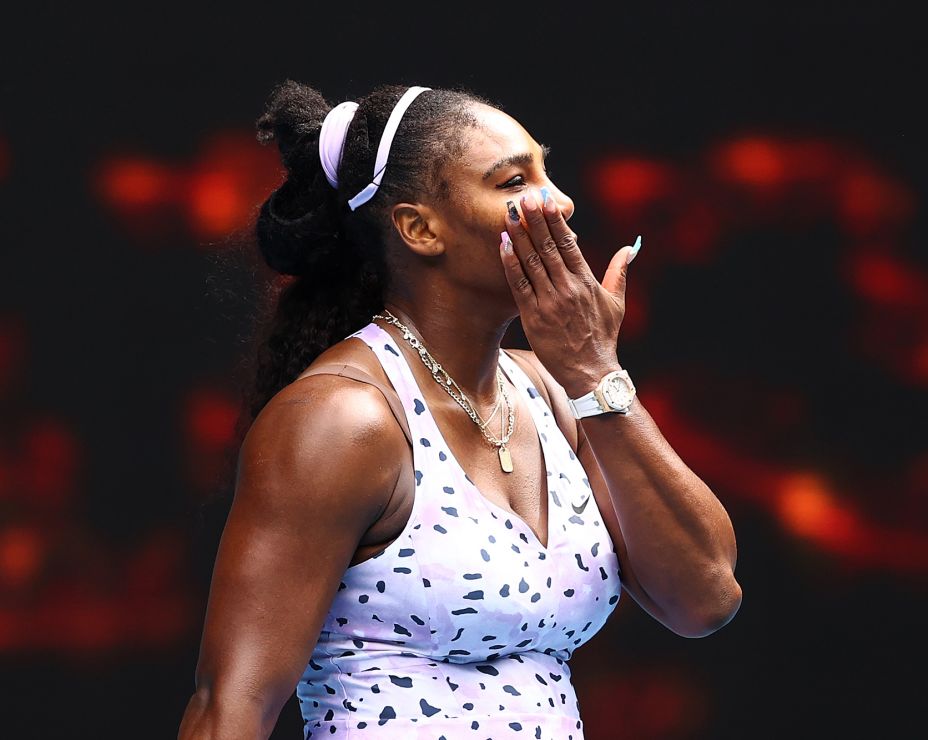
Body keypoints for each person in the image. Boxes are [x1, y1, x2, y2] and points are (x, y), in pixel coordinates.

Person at [178, 80, 742, 740]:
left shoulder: (558, 394)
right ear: (419, 228)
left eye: (546, 170)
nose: (557, 200)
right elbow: (231, 708)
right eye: (513, 181)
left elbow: (705, 597)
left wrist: (596, 375)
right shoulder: (346, 419)